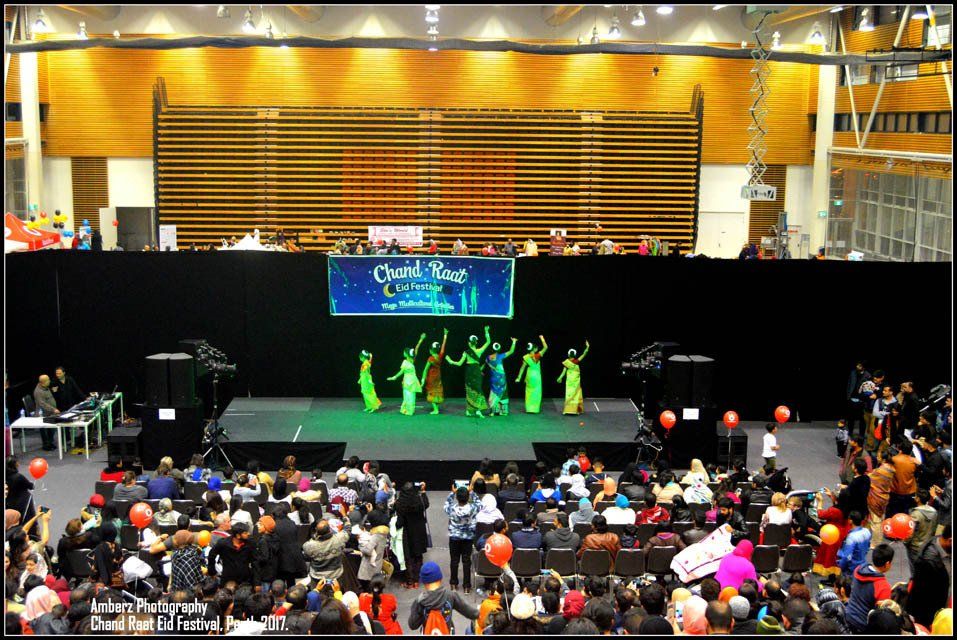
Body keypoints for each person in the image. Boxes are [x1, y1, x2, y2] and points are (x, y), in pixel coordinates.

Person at [407, 561, 479, 634]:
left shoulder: (419, 601)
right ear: (440, 579)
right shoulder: (450, 595)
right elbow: (469, 612)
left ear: (424, 582)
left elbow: (412, 625)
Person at [906, 524, 952, 628]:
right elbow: (922, 598)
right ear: (950, 541)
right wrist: (931, 622)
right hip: (930, 618)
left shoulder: (938, 541)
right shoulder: (928, 563)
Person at [845, 542, 894, 633]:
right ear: (887, 564)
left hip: (848, 615)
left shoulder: (858, 569)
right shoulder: (883, 587)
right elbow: (881, 616)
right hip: (863, 625)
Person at [446, 326, 491, 418]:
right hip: (476, 372)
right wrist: (486, 332)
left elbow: (459, 364)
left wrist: (450, 361)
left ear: (469, 343)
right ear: (476, 343)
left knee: (470, 391)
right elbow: (489, 342)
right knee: (478, 390)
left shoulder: (466, 352)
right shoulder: (479, 351)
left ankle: (470, 410)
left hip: (470, 372)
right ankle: (475, 410)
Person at [443, 485, 480, 593]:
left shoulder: (451, 509)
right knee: (467, 561)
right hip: (468, 538)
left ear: (457, 498)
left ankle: (453, 584)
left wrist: (452, 493)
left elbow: (446, 504)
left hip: (454, 538)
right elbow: (479, 504)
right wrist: (472, 491)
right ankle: (467, 586)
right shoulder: (473, 508)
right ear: (468, 497)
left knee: (454, 561)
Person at [395, 481, 429, 588]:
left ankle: (409, 581)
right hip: (419, 531)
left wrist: (396, 525)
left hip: (407, 532)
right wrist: (423, 492)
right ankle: (416, 580)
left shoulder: (399, 504)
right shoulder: (419, 500)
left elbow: (399, 523)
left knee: (408, 557)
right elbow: (426, 504)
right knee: (418, 556)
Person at [387, 334, 426, 416]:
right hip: (411, 380)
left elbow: (401, 372)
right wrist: (421, 340)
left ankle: (409, 411)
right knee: (409, 395)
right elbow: (416, 349)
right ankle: (406, 409)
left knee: (409, 395)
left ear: (407, 354)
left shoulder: (406, 362)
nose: (403, 353)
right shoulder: (411, 360)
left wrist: (394, 377)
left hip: (409, 381)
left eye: (404, 352)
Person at [905, 488, 939, 570]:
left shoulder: (915, 514)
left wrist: (905, 542)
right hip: (928, 545)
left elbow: (910, 532)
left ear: (918, 499)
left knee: (914, 570)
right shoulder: (934, 512)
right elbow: (934, 529)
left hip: (915, 547)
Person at [419, 329, 448, 415]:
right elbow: (443, 347)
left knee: (432, 392)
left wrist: (423, 380)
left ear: (431, 350)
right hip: (438, 376)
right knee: (437, 392)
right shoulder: (440, 356)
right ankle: (436, 408)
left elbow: (425, 369)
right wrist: (445, 336)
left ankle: (436, 409)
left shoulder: (431, 359)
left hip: (431, 378)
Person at [485, 337, 517, 416]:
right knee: (503, 393)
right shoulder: (500, 356)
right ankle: (503, 411)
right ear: (499, 349)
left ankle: (493, 411)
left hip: (494, 378)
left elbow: (486, 363)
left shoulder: (488, 358)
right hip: (501, 378)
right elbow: (511, 351)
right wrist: (514, 342)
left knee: (493, 393)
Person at [515, 336, 547, 414]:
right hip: (537, 376)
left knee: (529, 391)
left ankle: (529, 409)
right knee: (537, 392)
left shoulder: (526, 357)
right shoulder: (538, 355)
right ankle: (535, 409)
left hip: (529, 375)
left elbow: (522, 368)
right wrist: (542, 338)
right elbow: (546, 347)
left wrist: (519, 377)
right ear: (534, 349)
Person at [558, 340, 590, 415]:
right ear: (575, 355)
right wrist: (587, 347)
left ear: (568, 355)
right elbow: (584, 354)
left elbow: (564, 371)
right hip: (575, 381)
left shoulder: (566, 362)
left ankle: (567, 410)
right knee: (575, 395)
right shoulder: (577, 361)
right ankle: (575, 410)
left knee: (568, 394)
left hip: (569, 381)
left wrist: (560, 378)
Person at [33, 374, 60, 450]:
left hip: (50, 412)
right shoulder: (38, 391)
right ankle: (46, 445)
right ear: (43, 382)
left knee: (51, 429)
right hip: (43, 414)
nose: (49, 381)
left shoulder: (45, 387)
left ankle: (50, 443)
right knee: (45, 430)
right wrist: (53, 409)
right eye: (48, 380)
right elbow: (42, 404)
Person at [6, 457, 36, 521]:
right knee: (28, 518)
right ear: (15, 464)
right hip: (22, 501)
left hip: (9, 502)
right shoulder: (19, 477)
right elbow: (30, 486)